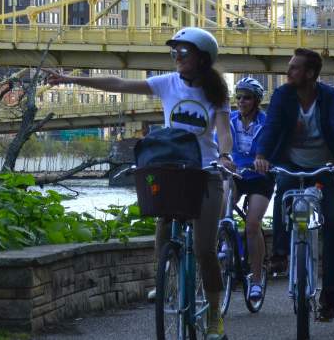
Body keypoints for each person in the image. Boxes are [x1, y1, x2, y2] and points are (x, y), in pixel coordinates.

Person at [46, 27, 233, 340]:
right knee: (163, 220)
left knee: (204, 249)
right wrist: (70, 79)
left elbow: (224, 131)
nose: (176, 57)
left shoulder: (217, 91)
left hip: (206, 171)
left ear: (201, 58)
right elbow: (119, 83)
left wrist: (225, 155)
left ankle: (215, 314)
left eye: (182, 52)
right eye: (173, 52)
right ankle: (165, 279)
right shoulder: (167, 83)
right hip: (174, 167)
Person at [253, 48, 334, 322]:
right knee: (282, 191)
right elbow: (272, 126)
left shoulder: (329, 97)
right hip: (292, 163)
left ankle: (329, 296)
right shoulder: (282, 95)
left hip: (322, 168)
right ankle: (280, 254)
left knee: (333, 222)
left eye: (295, 68)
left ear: (310, 74)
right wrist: (261, 156)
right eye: (290, 67)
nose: (288, 72)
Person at [227, 76, 273, 307]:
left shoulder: (266, 122)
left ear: (256, 101)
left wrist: (263, 159)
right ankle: (225, 245)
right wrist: (222, 158)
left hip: (260, 178)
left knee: (252, 225)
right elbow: (220, 144)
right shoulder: (229, 119)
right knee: (220, 209)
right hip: (236, 174)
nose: (241, 102)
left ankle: (256, 279)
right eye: (239, 97)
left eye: (246, 98)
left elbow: (271, 146)